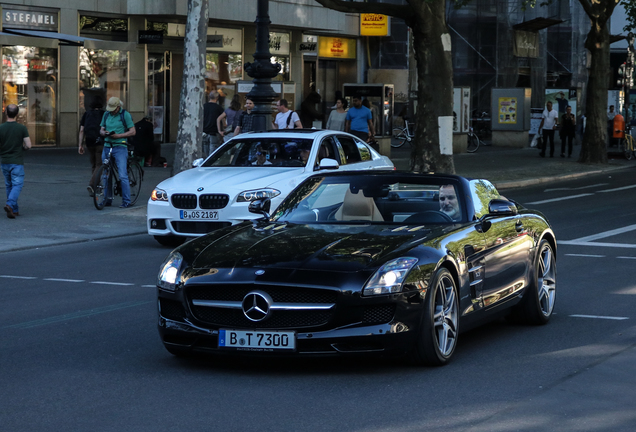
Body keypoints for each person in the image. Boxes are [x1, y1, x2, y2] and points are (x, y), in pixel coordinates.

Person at [99, 97, 136, 208]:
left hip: (120, 146)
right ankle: (107, 199)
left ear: (118, 107)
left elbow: (133, 131)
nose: (111, 111)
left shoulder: (125, 115)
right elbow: (101, 129)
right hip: (107, 146)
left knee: (122, 175)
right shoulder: (106, 114)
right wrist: (104, 133)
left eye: (113, 109)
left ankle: (126, 201)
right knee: (106, 175)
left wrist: (118, 136)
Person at [0, 104, 31, 218]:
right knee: (17, 185)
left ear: (6, 113)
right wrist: (22, 148)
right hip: (17, 161)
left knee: (9, 185)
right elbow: (28, 145)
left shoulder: (1, 128)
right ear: (17, 114)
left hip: (4, 161)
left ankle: (14, 209)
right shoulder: (22, 128)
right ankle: (9, 204)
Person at [79, 99, 105, 197]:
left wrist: (80, 144)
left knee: (94, 164)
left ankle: (95, 186)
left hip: (89, 142)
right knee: (99, 164)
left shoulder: (87, 114)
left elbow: (82, 130)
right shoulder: (104, 114)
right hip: (100, 142)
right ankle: (92, 184)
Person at [202, 91, 224, 157]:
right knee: (212, 154)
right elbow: (223, 120)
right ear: (217, 98)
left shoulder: (203, 106)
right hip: (214, 133)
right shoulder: (219, 108)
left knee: (206, 153)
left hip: (204, 132)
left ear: (209, 97)